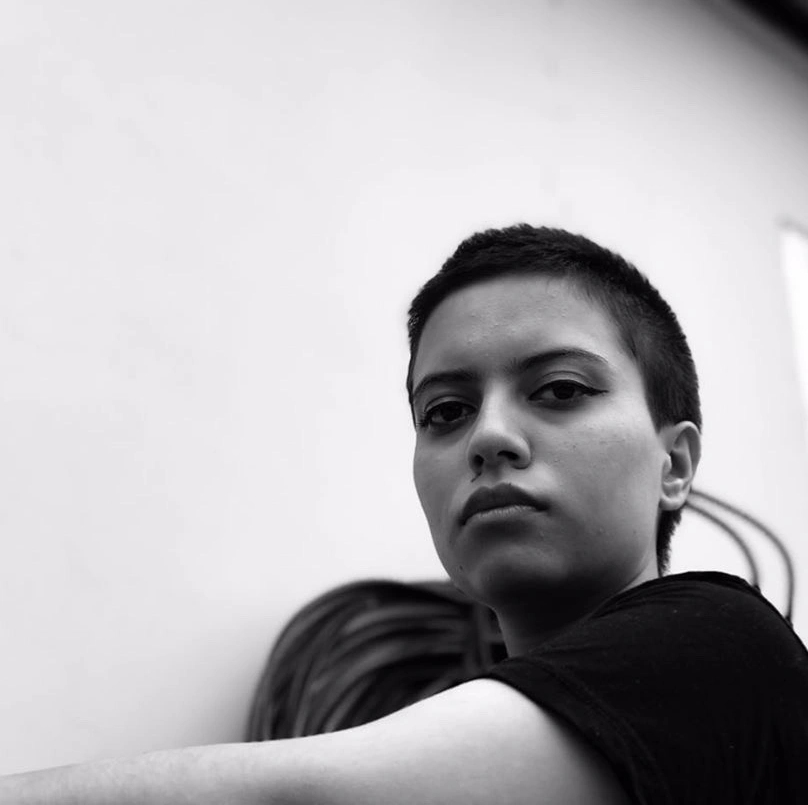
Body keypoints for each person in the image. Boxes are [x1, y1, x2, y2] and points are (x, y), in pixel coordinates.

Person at [2, 224, 807, 804]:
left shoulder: (726, 650)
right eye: (445, 412)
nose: (488, 437)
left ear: (675, 465)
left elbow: (302, 797)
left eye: (560, 390)